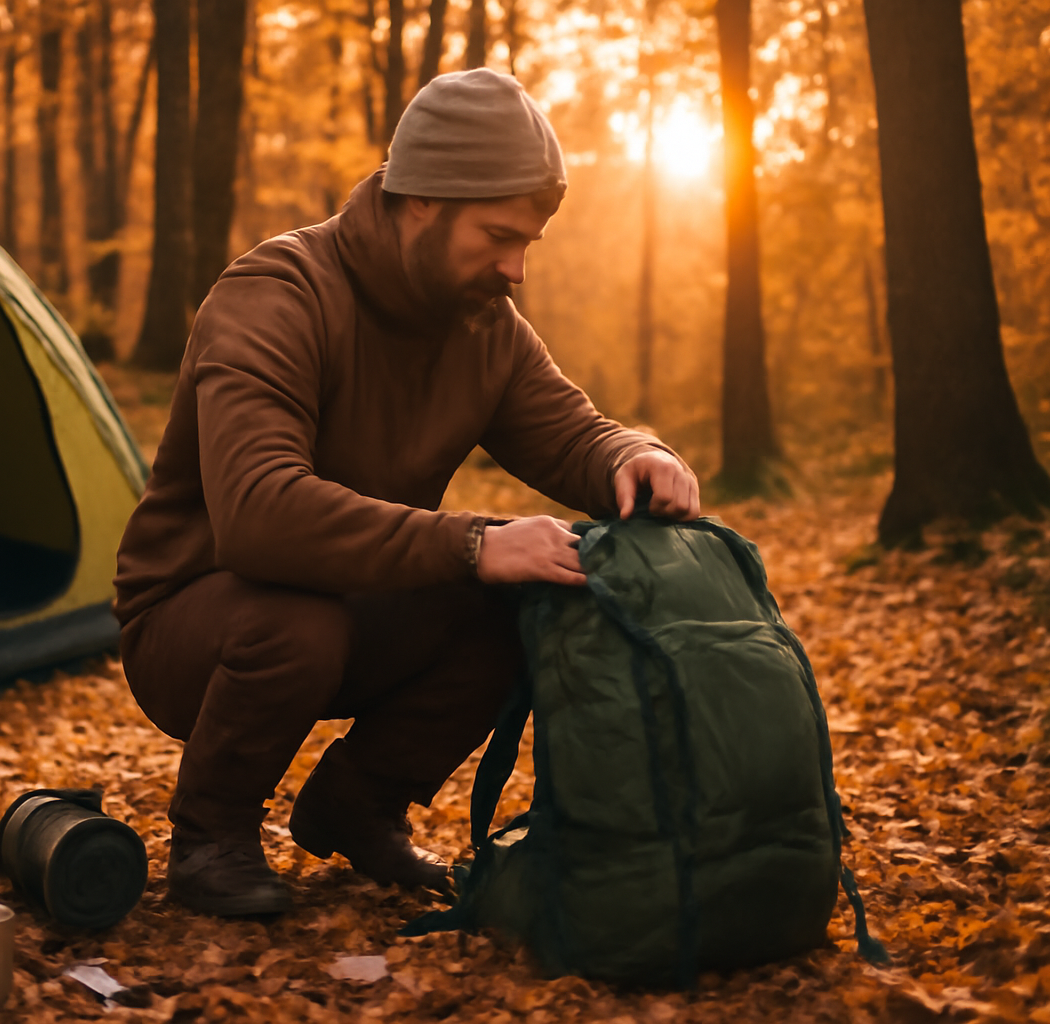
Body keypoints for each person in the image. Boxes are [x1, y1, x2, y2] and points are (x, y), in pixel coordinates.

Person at [113, 67, 701, 917]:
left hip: (358, 604)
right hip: (193, 619)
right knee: (301, 620)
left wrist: (632, 454)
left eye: (529, 242)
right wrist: (472, 542)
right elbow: (258, 512)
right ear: (419, 201)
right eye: (499, 235)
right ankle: (212, 836)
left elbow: (570, 430)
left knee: (522, 597)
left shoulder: (481, 322)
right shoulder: (276, 295)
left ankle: (359, 804)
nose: (517, 268)